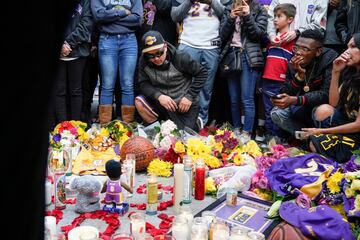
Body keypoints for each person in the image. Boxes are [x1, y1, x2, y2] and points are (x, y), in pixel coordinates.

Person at [303, 33, 360, 163]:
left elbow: (358, 125)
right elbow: (333, 103)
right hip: (348, 127)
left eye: (353, 47)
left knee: (316, 144)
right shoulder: (352, 75)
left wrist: (321, 131)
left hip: (357, 135)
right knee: (323, 110)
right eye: (347, 47)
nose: (347, 51)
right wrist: (336, 72)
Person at [270, 29, 338, 136]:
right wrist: (298, 78)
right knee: (277, 113)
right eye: (296, 47)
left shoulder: (329, 58)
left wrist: (296, 100)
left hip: (323, 108)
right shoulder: (293, 62)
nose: (298, 52)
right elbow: (285, 91)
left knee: (320, 110)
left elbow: (326, 94)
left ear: (318, 51)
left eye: (305, 49)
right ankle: (305, 139)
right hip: (303, 107)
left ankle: (319, 141)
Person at [135, 31, 207, 130]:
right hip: (162, 102)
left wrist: (189, 96)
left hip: (183, 103)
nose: (156, 58)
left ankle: (195, 122)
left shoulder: (180, 57)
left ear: (165, 46)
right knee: (139, 101)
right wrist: (158, 96)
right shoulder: (144, 61)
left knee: (181, 138)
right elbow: (143, 83)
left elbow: (202, 73)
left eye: (159, 53)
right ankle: (155, 129)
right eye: (150, 56)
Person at [219, 0, 268, 143]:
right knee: (234, 99)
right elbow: (221, 36)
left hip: (248, 57)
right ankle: (237, 128)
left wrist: (247, 16)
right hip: (231, 56)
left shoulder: (259, 9)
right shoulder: (228, 9)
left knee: (247, 98)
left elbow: (258, 35)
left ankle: (247, 132)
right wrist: (230, 19)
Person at [171, 0, 225, 127]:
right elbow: (174, 16)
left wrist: (211, 2)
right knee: (182, 85)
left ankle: (200, 123)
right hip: (188, 43)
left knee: (206, 89)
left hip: (211, 46)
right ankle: (180, 123)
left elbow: (226, 14)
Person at [91, 0, 143, 124]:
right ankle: (105, 127)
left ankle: (127, 126)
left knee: (128, 85)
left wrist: (109, 17)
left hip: (129, 40)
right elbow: (98, 16)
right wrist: (123, 12)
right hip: (107, 39)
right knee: (107, 85)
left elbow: (137, 19)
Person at [53, 0, 93, 124]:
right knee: (59, 90)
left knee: (76, 91)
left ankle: (75, 127)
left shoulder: (85, 2)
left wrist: (68, 43)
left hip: (77, 51)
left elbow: (86, 24)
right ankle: (61, 127)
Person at [261, 3, 296, 138]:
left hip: (281, 83)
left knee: (278, 112)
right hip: (267, 80)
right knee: (268, 112)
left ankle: (279, 141)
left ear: (290, 20)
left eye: (279, 16)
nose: (275, 19)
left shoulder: (294, 41)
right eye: (274, 16)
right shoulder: (270, 39)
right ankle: (270, 140)